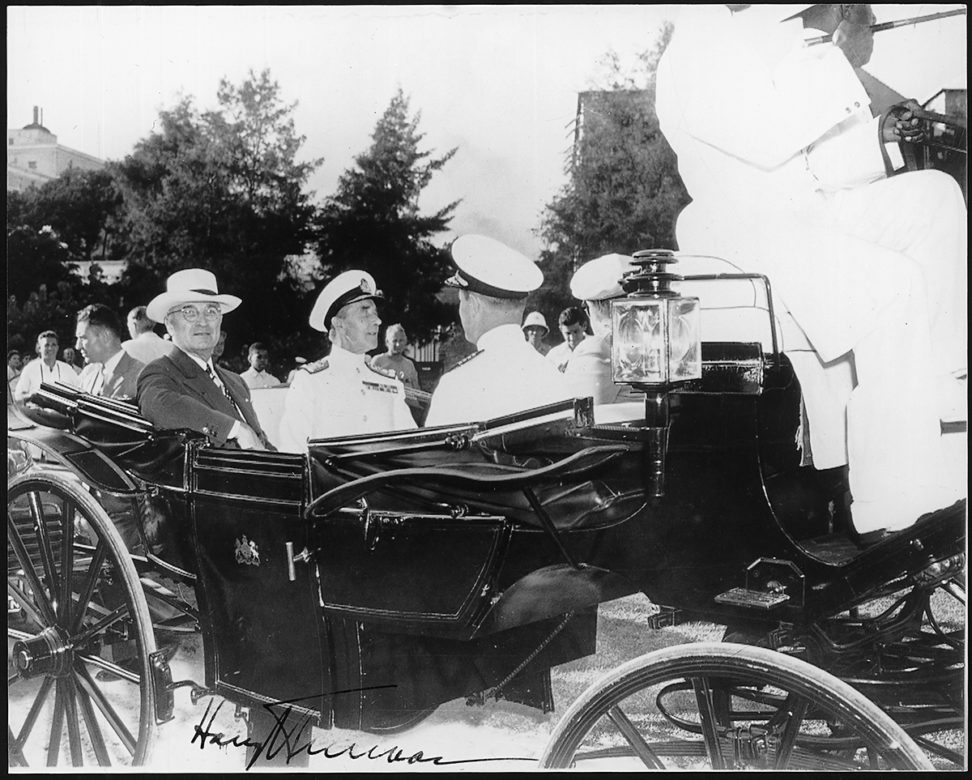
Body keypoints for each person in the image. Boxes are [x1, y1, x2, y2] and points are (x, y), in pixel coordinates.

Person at [655, 4, 966, 536]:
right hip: (747, 231)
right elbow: (766, 136)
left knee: (935, 198)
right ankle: (892, 499)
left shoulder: (749, 39)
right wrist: (833, 56)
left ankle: (941, 394)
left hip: (803, 216)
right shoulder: (695, 46)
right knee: (892, 287)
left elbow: (815, 166)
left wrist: (881, 136)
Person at [425, 235, 570, 426]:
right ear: (522, 304)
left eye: (462, 301)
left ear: (474, 305)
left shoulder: (456, 387)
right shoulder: (554, 379)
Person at [136, 268, 272, 450]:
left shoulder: (237, 382)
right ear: (169, 324)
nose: (203, 322)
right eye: (190, 312)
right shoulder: (161, 372)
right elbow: (158, 404)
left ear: (220, 321)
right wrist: (234, 429)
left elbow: (260, 445)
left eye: (211, 312)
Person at [279, 271, 416, 451]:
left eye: (376, 313)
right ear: (339, 324)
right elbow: (295, 452)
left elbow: (411, 450)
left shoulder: (389, 383)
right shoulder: (309, 382)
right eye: (365, 311)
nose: (378, 320)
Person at [564, 253, 642, 405]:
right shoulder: (657, 340)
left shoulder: (597, 349)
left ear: (594, 309)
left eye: (586, 307)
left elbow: (572, 417)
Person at [75, 304, 145, 400]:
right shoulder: (88, 373)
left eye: (83, 338)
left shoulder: (141, 376)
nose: (77, 346)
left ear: (105, 336)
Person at [14, 330, 81, 401]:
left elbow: (80, 392)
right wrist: (33, 395)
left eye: (53, 345)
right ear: (39, 348)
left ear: (57, 348)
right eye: (47, 345)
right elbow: (18, 397)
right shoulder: (30, 368)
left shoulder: (67, 369)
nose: (50, 348)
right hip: (38, 411)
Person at [545, 306, 590, 373]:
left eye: (576, 331)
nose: (572, 337)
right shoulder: (553, 355)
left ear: (584, 326)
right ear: (561, 329)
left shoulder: (597, 347)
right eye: (568, 333)